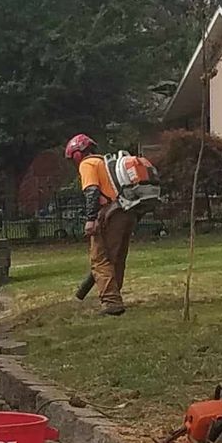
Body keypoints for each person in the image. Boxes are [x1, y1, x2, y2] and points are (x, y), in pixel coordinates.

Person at [65, 134, 138, 317]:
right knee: (116, 257)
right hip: (126, 211)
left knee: (100, 259)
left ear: (77, 155)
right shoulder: (105, 162)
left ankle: (112, 302)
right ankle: (114, 297)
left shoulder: (87, 164)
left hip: (109, 213)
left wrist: (91, 219)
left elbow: (92, 191)